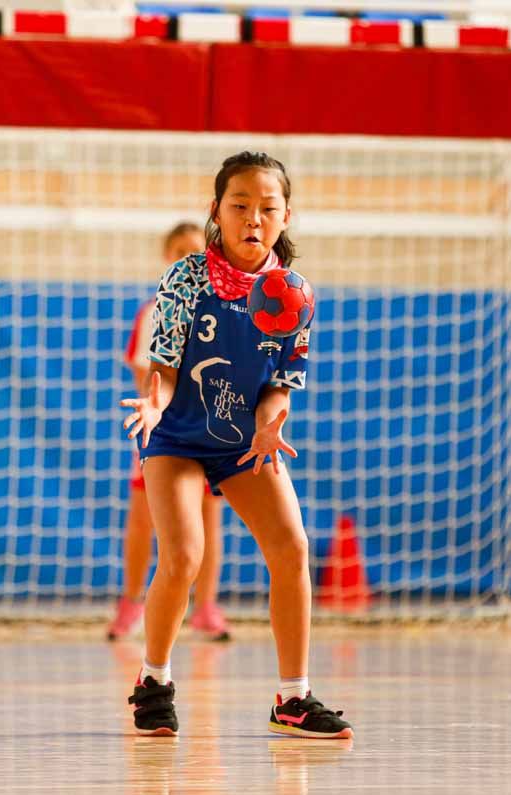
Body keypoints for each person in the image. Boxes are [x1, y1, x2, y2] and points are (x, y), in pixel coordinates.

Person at [120, 151, 353, 739]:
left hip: (241, 441)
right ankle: (153, 681)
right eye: (240, 205)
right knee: (183, 557)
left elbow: (281, 383)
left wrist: (273, 421)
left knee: (292, 547)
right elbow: (165, 365)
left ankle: (293, 698)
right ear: (216, 212)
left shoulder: (294, 294)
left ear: (285, 217)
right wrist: (153, 401)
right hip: (175, 434)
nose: (253, 218)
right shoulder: (186, 276)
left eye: (267, 208)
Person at [109, 222, 231, 643]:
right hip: (161, 429)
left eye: (194, 250)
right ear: (167, 258)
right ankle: (130, 604)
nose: (186, 258)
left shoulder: (221, 311)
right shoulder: (154, 311)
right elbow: (147, 373)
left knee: (210, 519)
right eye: (179, 251)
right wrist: (167, 406)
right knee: (144, 519)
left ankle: (206, 607)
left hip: (210, 430)